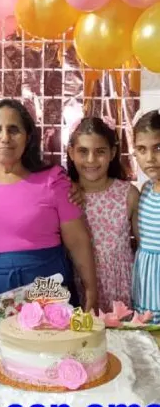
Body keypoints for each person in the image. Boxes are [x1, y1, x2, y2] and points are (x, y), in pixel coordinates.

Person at [0, 99, 97, 310]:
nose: (5, 138)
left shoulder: (54, 180)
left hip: (47, 285)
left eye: (14, 130)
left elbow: (78, 241)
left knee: (48, 339)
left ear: (28, 137)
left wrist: (91, 292)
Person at [67, 116, 139, 313]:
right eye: (83, 151)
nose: (91, 160)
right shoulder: (66, 195)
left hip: (122, 288)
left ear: (112, 153)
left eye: (100, 152)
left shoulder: (129, 194)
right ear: (71, 152)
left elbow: (144, 247)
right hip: (79, 283)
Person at [131, 109, 160, 323]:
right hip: (145, 292)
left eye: (158, 148)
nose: (150, 158)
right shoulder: (145, 191)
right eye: (142, 149)